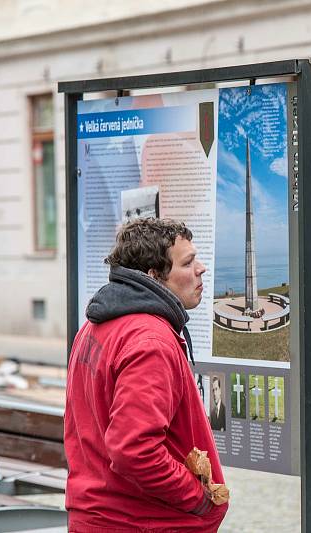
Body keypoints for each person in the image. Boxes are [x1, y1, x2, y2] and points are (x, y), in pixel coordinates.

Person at [65, 218, 227, 532]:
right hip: (141, 520)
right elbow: (134, 451)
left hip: (101, 513)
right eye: (188, 262)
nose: (201, 268)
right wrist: (198, 499)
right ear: (154, 276)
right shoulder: (150, 342)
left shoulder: (96, 326)